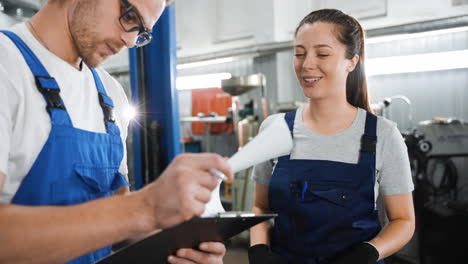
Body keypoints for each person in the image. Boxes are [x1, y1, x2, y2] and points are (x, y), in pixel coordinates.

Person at [0, 0, 233, 263]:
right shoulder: (7, 66)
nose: (131, 41)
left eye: (142, 32)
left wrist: (183, 246)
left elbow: (119, 220)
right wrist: (146, 206)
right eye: (129, 15)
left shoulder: (109, 94)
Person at [248, 9, 415, 264]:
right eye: (299, 53)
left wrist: (368, 253)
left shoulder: (383, 135)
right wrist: (259, 250)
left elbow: (403, 220)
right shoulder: (274, 129)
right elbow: (261, 207)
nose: (306, 65)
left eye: (322, 54)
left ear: (352, 61)